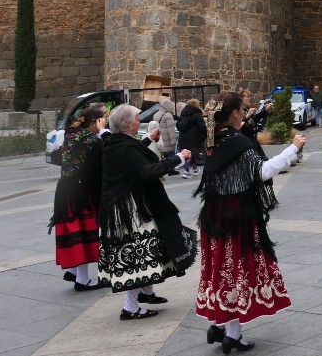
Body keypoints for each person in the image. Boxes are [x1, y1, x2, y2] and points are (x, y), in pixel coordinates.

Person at [195, 93, 306, 353]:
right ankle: (232, 334)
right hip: (237, 215)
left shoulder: (212, 137)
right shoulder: (237, 141)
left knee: (220, 268)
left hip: (214, 212)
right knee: (237, 269)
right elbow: (262, 172)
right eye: (243, 110)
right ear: (235, 112)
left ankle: (218, 324)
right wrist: (293, 148)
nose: (245, 114)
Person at [97, 104, 196, 320]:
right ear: (128, 124)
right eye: (137, 118)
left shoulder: (116, 142)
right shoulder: (123, 147)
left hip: (127, 205)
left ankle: (147, 293)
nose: (139, 121)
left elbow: (133, 154)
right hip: (130, 209)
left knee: (149, 249)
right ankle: (130, 308)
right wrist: (178, 158)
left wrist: (149, 139)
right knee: (137, 256)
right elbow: (146, 171)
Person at [52, 105, 107, 291]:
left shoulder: (72, 134)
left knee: (75, 231)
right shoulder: (92, 140)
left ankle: (74, 272)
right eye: (104, 118)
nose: (106, 121)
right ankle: (82, 280)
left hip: (65, 190)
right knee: (84, 233)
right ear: (95, 122)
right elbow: (104, 156)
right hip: (81, 193)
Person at [175, 98, 207, 178]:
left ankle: (195, 169)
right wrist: (204, 135)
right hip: (194, 139)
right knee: (192, 154)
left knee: (190, 154)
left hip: (183, 139)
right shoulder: (197, 115)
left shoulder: (183, 115)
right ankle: (186, 172)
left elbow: (178, 126)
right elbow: (202, 127)